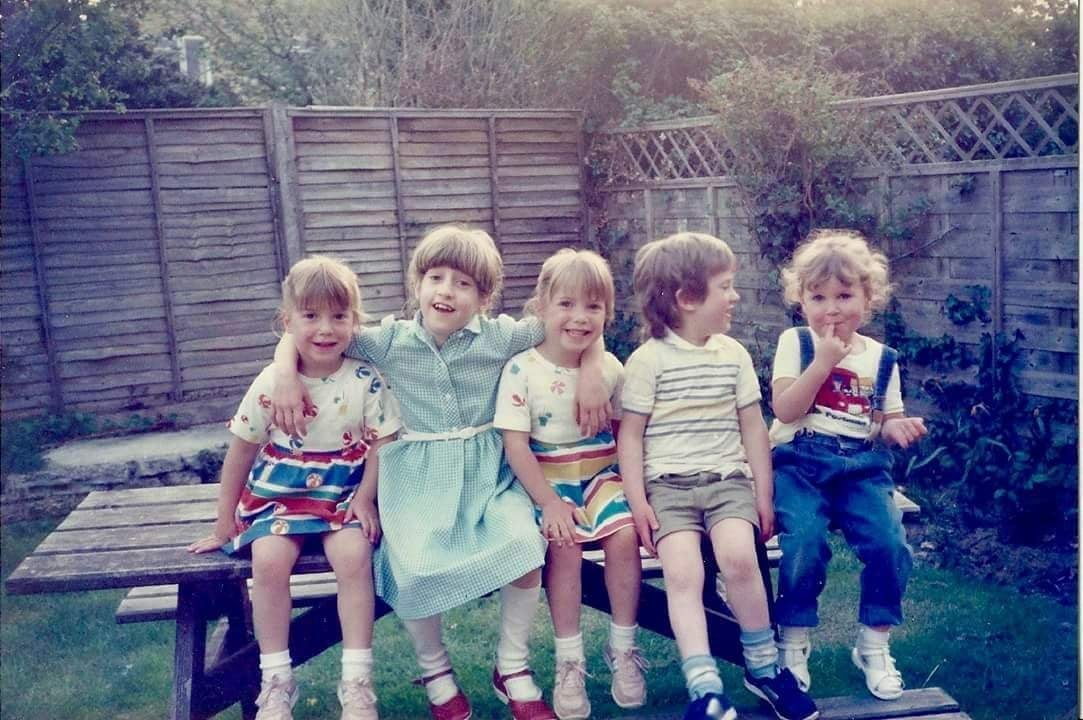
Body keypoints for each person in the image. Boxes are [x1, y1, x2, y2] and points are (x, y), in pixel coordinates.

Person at [270, 225, 609, 720]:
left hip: (488, 477)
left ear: (485, 296)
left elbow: (574, 329)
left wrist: (596, 367)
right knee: (410, 564)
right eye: (435, 277)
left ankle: (511, 666)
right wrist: (283, 370)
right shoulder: (388, 342)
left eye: (463, 283)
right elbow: (307, 330)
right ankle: (435, 671)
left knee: (524, 544)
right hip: (416, 479)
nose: (446, 291)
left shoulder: (502, 337)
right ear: (418, 283)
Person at [189, 255, 401, 720]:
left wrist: (366, 497)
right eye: (310, 315)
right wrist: (225, 522)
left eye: (339, 316)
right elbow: (241, 450)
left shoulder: (364, 379)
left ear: (355, 321)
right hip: (280, 493)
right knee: (267, 560)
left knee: (353, 556)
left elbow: (384, 443)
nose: (325, 328)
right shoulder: (272, 383)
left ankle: (357, 680)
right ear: (287, 322)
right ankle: (276, 678)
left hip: (343, 490)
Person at [617, 233, 818, 720]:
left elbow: (754, 428)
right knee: (683, 574)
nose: (734, 297)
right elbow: (631, 436)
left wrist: (762, 494)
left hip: (729, 481)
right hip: (668, 488)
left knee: (740, 560)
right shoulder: (648, 361)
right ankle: (705, 689)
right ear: (687, 299)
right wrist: (638, 501)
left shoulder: (731, 354)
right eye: (725, 287)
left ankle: (764, 669)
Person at [769, 230, 926, 702]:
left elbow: (881, 419)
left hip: (860, 467)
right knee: (804, 544)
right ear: (801, 301)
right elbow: (785, 410)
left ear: (868, 298)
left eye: (844, 295)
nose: (831, 308)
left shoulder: (882, 359)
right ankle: (792, 642)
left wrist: (895, 427)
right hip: (799, 462)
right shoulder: (795, 343)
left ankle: (874, 643)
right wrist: (822, 363)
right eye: (818, 297)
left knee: (889, 543)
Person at [494, 249, 645, 720]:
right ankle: (569, 661)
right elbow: (516, 446)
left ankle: (622, 648)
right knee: (564, 546)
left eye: (593, 307)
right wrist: (549, 503)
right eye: (566, 304)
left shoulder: (611, 369)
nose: (580, 318)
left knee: (623, 537)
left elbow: (625, 434)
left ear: (608, 312)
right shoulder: (521, 369)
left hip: (600, 476)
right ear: (541, 304)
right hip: (547, 481)